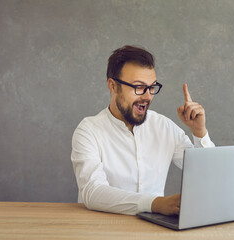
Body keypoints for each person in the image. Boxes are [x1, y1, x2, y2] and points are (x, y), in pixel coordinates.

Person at [71, 45, 215, 216]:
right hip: (104, 230)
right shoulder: (88, 131)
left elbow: (209, 176)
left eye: (152, 87)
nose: (147, 96)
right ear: (113, 86)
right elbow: (93, 192)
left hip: (155, 231)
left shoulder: (164, 127)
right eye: (138, 87)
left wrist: (199, 132)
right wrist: (155, 204)